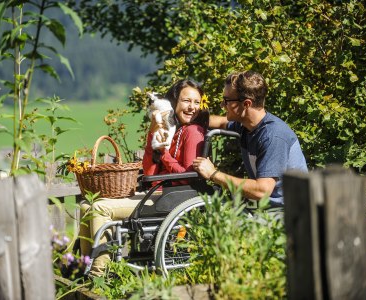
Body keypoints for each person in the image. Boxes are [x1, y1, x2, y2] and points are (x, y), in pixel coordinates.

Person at [79, 79, 208, 276]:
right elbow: (149, 172)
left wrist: (164, 154)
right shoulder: (174, 129)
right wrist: (152, 134)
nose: (192, 107)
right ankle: (83, 267)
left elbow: (188, 177)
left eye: (196, 102)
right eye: (186, 101)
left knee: (99, 208)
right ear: (174, 103)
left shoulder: (193, 132)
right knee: (86, 206)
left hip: (174, 198)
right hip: (159, 193)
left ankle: (98, 274)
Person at [193, 70, 307, 206]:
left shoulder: (273, 136)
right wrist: (189, 117)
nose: (222, 105)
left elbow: (262, 191)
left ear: (246, 104)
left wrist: (213, 174)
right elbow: (221, 122)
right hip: (269, 209)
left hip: (290, 213)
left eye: (226, 100)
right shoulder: (246, 125)